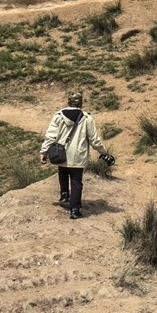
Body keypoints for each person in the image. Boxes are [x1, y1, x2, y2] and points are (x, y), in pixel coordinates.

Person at [38, 91, 110, 220]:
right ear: (81, 103)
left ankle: (64, 194)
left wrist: (43, 152)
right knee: (76, 181)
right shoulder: (86, 118)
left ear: (68, 102)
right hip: (78, 155)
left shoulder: (58, 116)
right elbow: (94, 139)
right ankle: (75, 209)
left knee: (63, 171)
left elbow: (50, 136)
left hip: (61, 153)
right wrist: (103, 152)